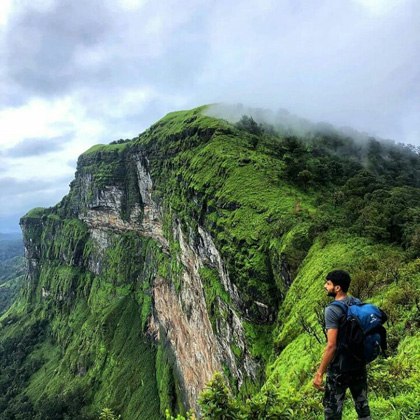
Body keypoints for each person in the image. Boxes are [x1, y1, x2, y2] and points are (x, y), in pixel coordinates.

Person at [313, 270, 371, 420]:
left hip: (339, 369)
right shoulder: (356, 302)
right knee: (363, 408)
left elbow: (331, 346)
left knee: (332, 412)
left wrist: (319, 373)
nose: (325, 286)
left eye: (328, 283)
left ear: (337, 288)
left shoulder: (332, 310)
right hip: (358, 364)